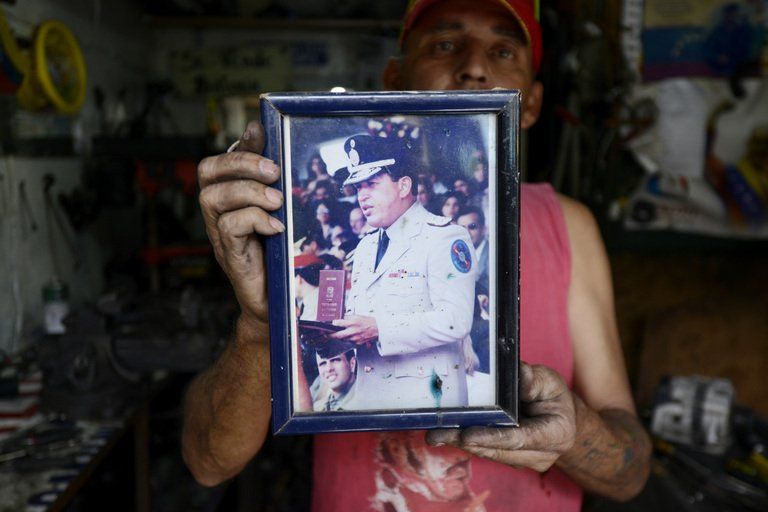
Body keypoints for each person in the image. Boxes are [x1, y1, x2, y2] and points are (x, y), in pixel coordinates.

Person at [183, 0, 651, 510]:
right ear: (394, 80)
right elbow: (208, 464)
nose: (474, 68)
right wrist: (265, 322)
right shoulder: (361, 248)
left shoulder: (567, 227)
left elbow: (630, 474)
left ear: (532, 104)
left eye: (503, 50)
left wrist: (575, 432)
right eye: (445, 44)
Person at [328, 133, 477, 410]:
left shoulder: (444, 237)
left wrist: (379, 329)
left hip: (427, 402)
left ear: (404, 186)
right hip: (370, 401)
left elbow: (455, 320)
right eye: (359, 187)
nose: (362, 196)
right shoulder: (366, 246)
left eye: (372, 184)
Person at [309, 339, 359, 412]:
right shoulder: (316, 408)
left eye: (335, 360)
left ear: (352, 364)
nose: (328, 369)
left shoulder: (365, 402)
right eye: (323, 363)